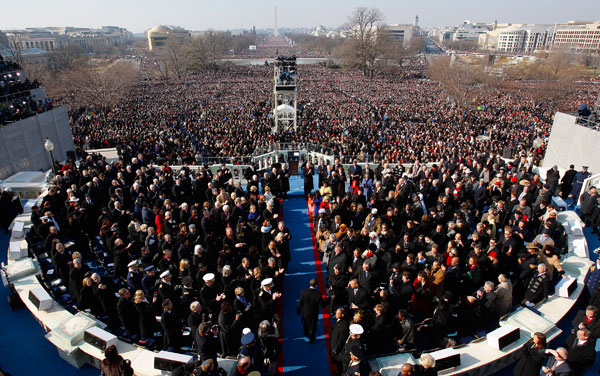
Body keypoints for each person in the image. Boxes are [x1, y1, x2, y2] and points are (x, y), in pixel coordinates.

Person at [297, 278, 325, 343]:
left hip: (305, 312)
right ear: (316, 285)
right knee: (312, 326)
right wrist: (329, 300)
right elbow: (322, 305)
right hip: (314, 313)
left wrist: (298, 310)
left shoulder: (304, 292)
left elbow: (300, 302)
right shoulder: (318, 294)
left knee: (305, 322)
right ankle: (311, 339)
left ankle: (305, 333)